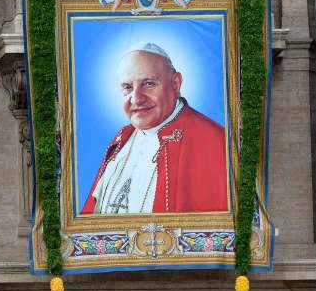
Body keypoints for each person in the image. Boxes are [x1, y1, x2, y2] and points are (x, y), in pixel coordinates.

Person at [81, 42, 228, 215]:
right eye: (127, 87)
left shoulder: (212, 141)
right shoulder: (123, 137)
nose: (136, 99)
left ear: (175, 84)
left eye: (148, 84)